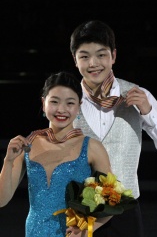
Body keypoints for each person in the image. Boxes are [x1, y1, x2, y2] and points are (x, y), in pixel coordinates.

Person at [70, 20, 157, 237]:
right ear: (75, 60)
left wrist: (148, 113)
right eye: (84, 56)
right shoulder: (68, 100)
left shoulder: (139, 95)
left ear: (113, 56)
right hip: (81, 213)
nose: (93, 63)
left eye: (101, 55)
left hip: (126, 212)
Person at [0, 71, 113, 237]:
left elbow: (112, 201)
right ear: (43, 102)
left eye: (70, 103)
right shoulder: (27, 144)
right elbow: (2, 200)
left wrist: (87, 228)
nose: (61, 109)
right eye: (54, 101)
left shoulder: (92, 147)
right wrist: (8, 161)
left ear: (79, 106)